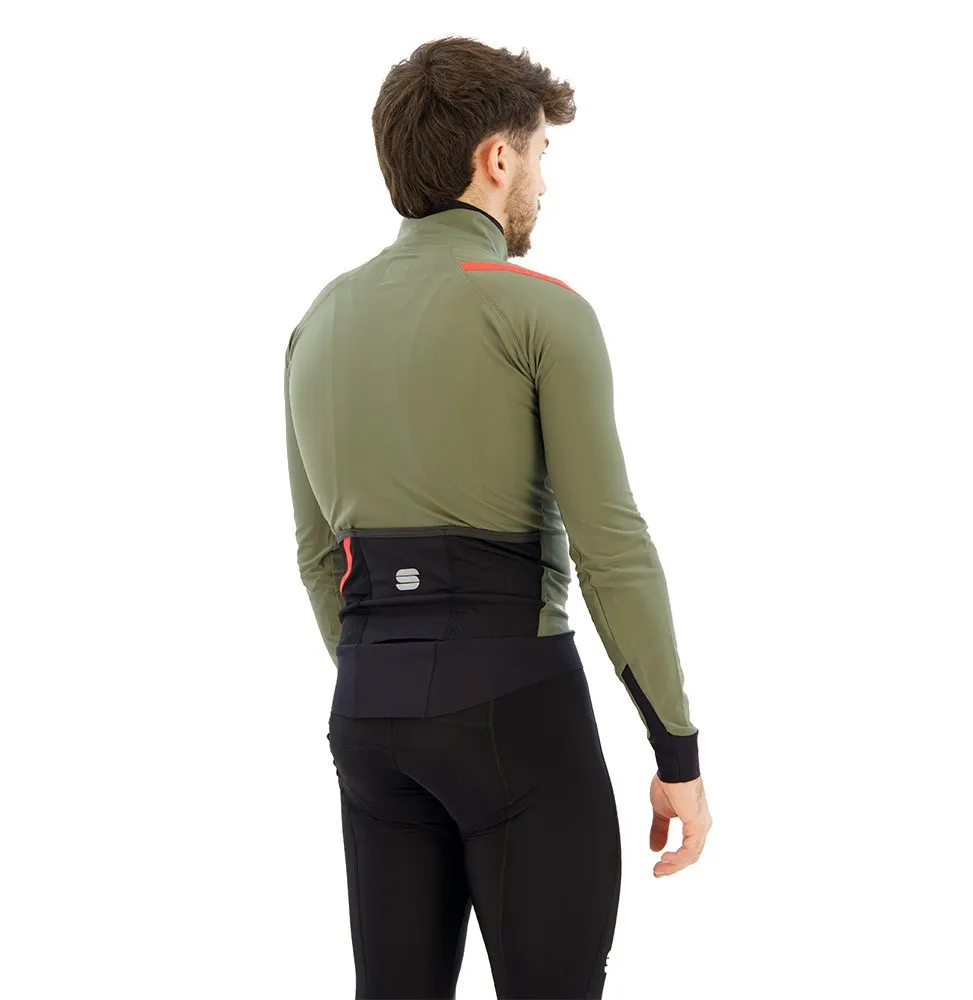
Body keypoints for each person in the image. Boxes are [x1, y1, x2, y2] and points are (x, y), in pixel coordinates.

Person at [283, 35, 713, 1000]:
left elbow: (316, 557)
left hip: (369, 721)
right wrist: (676, 751)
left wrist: (389, 679)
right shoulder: (540, 311)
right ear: (497, 158)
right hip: (515, 711)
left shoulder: (317, 323)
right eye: (541, 156)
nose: (544, 186)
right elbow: (611, 546)